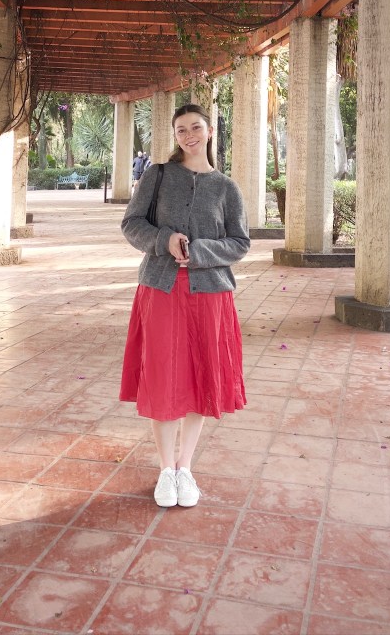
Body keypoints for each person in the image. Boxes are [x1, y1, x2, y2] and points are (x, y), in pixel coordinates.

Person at [120, 103, 249, 508]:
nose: (189, 135)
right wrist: (165, 240)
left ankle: (185, 468)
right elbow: (132, 224)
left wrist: (200, 251)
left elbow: (240, 243)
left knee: (199, 378)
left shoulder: (226, 188)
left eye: (196, 127)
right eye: (181, 130)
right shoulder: (157, 176)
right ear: (175, 136)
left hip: (210, 292)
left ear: (209, 131)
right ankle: (165, 470)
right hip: (160, 290)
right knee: (163, 377)